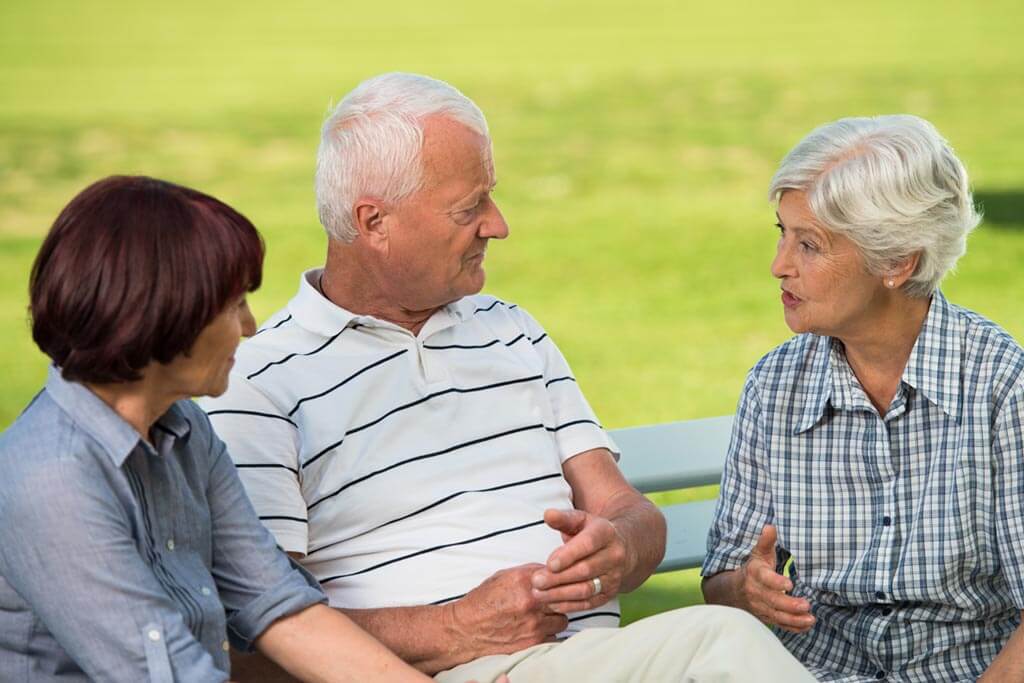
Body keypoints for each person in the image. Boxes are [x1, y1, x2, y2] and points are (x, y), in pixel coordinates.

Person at [202, 72, 813, 682]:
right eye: (469, 207)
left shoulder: (510, 331)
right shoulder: (258, 380)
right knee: (723, 645)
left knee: (721, 645)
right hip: (441, 673)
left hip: (585, 662)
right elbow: (255, 639)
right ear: (373, 222)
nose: (498, 225)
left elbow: (631, 512)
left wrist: (619, 547)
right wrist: (456, 627)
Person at [0, 176, 432, 682]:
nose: (250, 326)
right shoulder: (50, 479)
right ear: (165, 313)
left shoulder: (185, 429)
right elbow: (166, 674)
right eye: (234, 305)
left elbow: (278, 606)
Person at [702, 115, 1024, 681]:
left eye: (810, 244)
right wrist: (746, 589)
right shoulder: (774, 387)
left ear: (898, 261)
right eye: (781, 232)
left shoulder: (1001, 386)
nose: (779, 265)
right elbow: (725, 577)